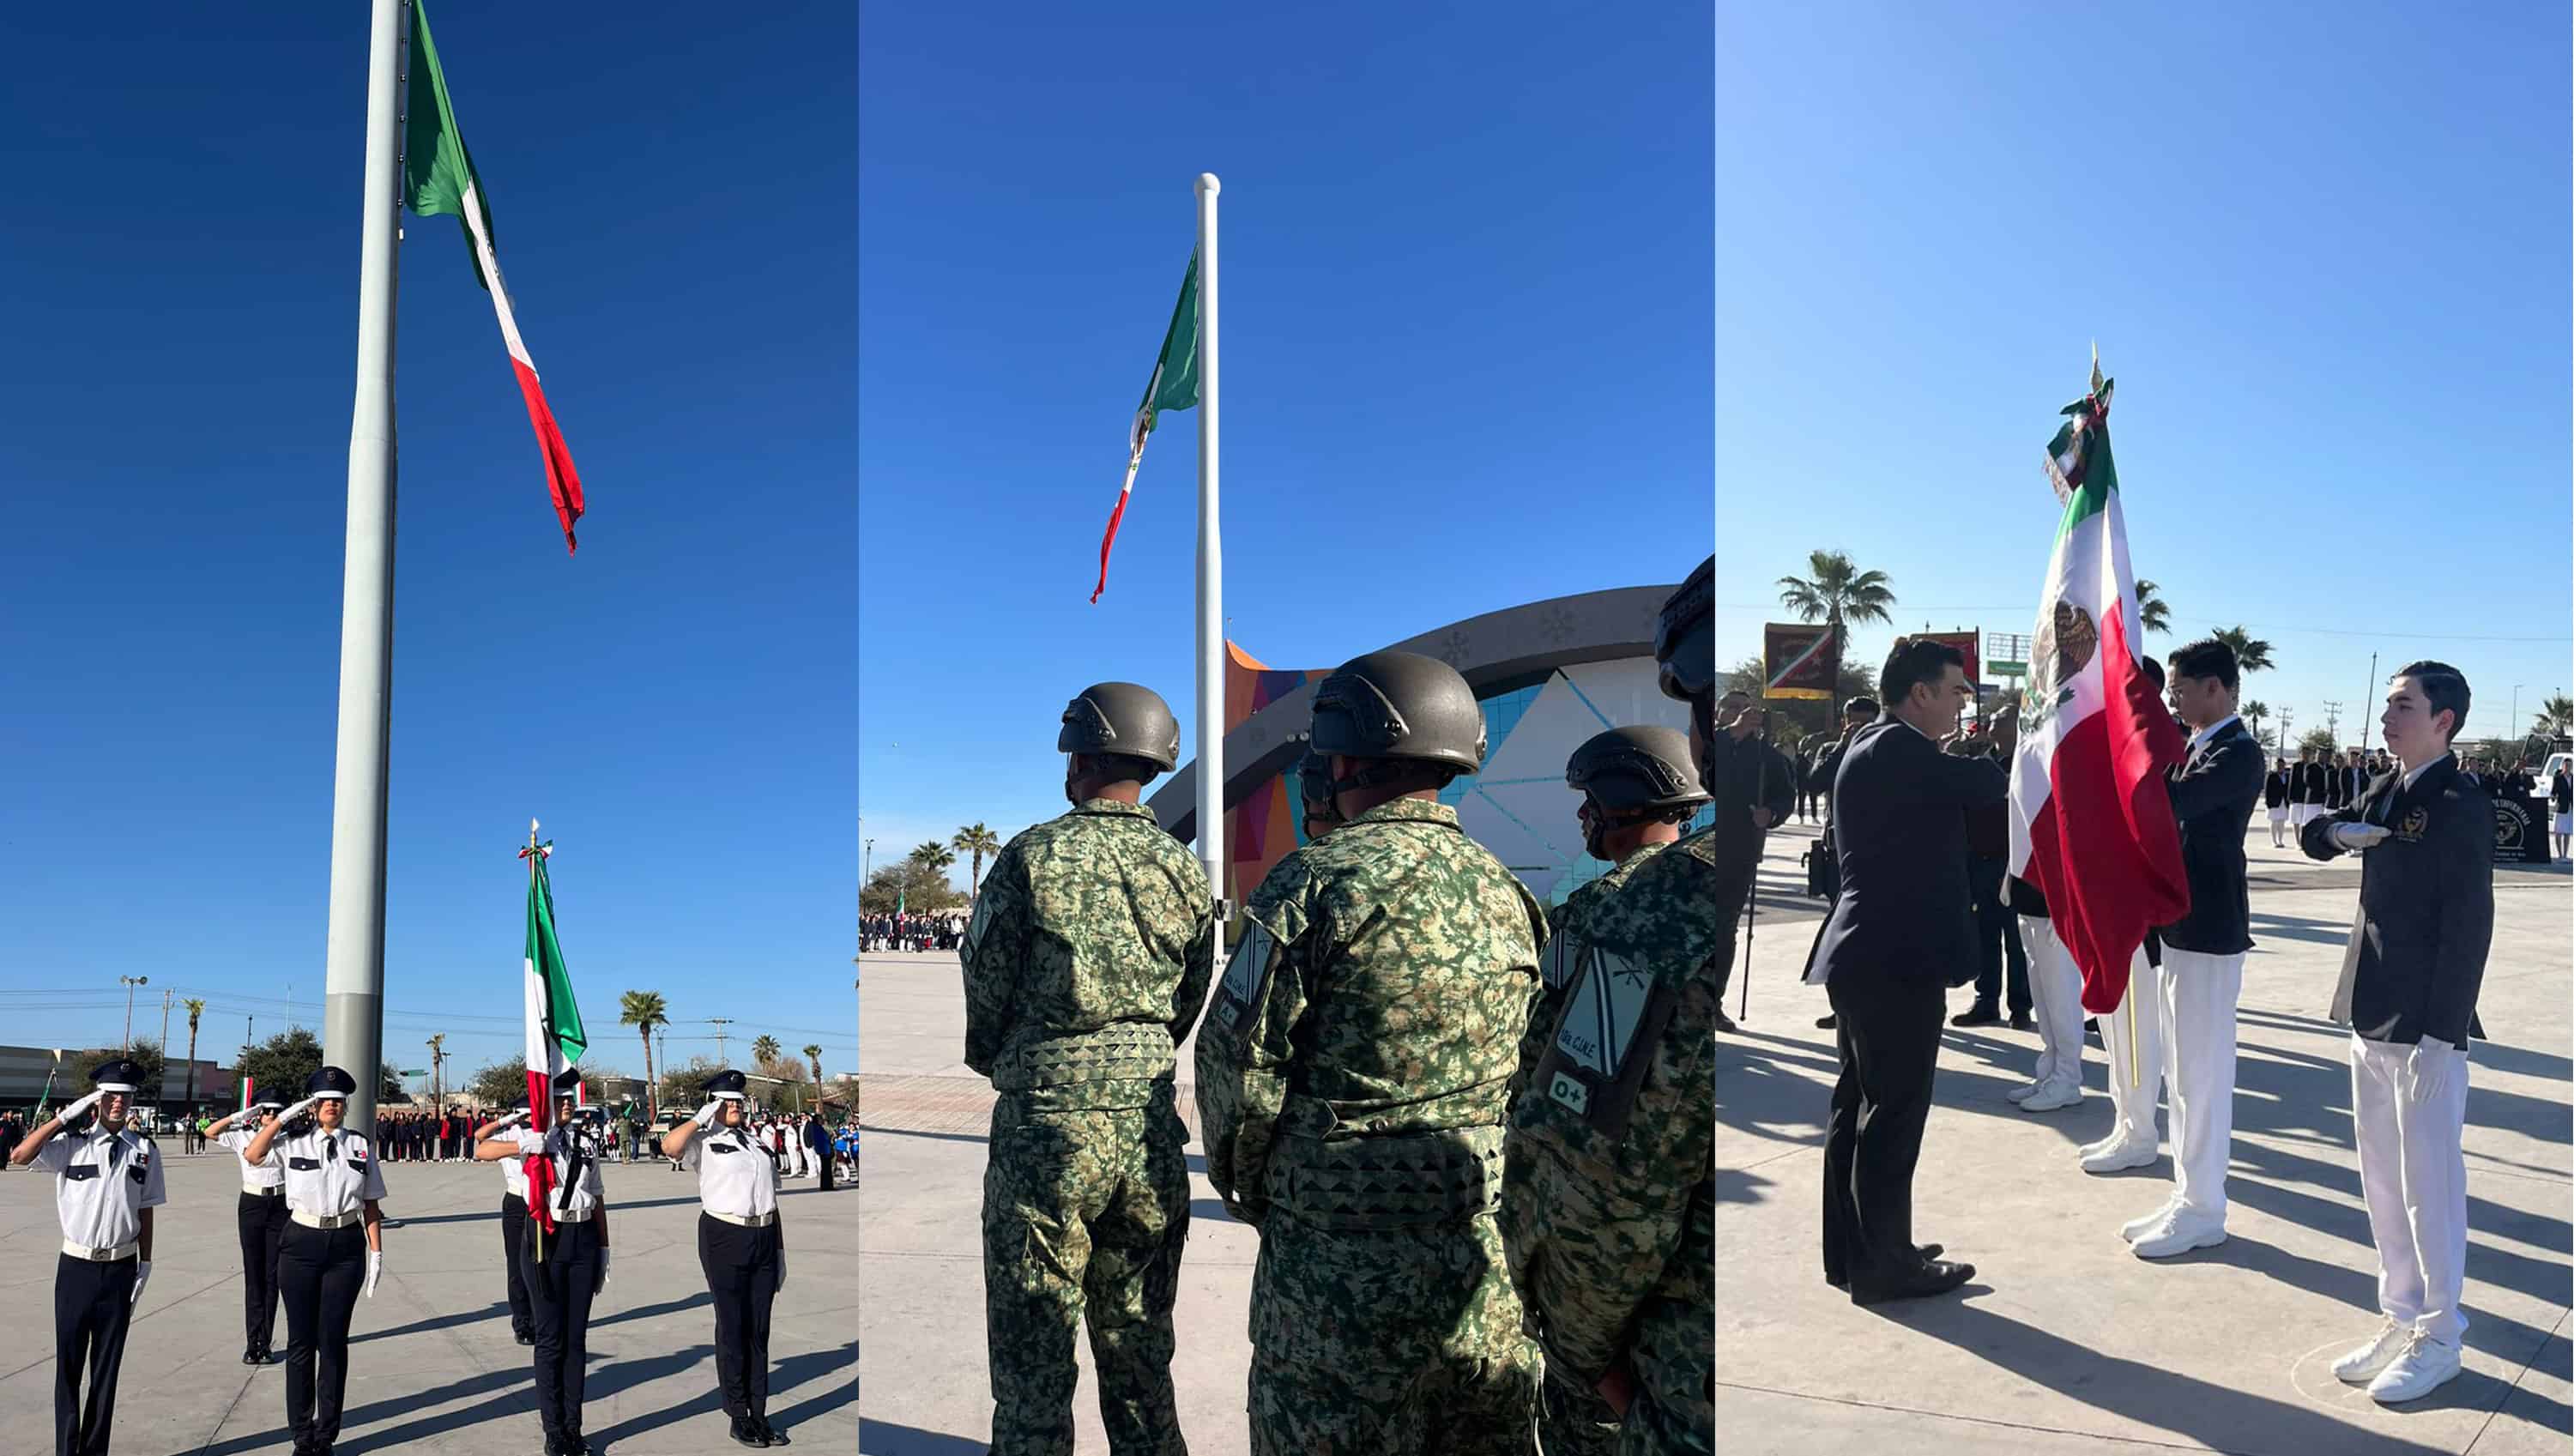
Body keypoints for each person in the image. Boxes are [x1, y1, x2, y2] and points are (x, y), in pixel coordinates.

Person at [1198, 649, 1545, 1454]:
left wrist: (1258, 1185)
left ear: (1348, 756)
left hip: (1334, 1279)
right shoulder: (1509, 892)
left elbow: (1235, 1067)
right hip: (1480, 1274)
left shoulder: (1311, 884)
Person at [1504, 557, 1722, 1454]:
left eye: (1593, 801)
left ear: (1628, 797)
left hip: (1662, 1357)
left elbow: (1598, 1144)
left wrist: (1575, 1340)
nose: (1585, 820)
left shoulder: (1618, 910)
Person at [964, 680, 1212, 1456]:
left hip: (1046, 1132)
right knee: (1141, 1353)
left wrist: (1013, 1058)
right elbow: (1190, 995)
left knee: (1033, 1361)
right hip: (1146, 1130)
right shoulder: (1184, 869)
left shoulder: (1031, 856)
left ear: (1087, 756)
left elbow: (986, 983)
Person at [2301, 661, 2492, 1404]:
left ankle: (2441, 1333)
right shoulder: (2389, 784)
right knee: (2381, 1180)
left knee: (2431, 1186)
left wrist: (2445, 1034)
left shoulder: (2458, 800)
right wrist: (2340, 830)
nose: (2388, 717)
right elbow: (2320, 833)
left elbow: (2470, 921)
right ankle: (2401, 1313)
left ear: (2443, 719)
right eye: (2387, 705)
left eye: (2402, 706)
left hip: (2422, 1026)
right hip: (2370, 1008)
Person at [1805, 637, 2000, 1303]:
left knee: (1859, 1104)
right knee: (1892, 1112)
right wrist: (2038, 738)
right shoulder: (1899, 748)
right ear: (1920, 693)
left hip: (1869, 952)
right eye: (1954, 691)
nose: (1959, 705)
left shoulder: (1874, 742)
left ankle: (1859, 1251)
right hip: (1893, 957)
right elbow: (1985, 784)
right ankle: (1885, 1265)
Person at [2118, 638, 2262, 1258]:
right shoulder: (2197, 747)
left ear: (2218, 688)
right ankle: (2188, 1193)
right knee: (2181, 1070)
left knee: (2202, 1073)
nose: (2171, 696)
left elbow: (2172, 802)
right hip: (2179, 925)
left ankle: (2206, 1206)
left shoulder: (2237, 752)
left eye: (2178, 686)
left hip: (2210, 927)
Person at [10, 1057, 163, 1456]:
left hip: (120, 1268)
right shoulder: (71, 1145)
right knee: (69, 1368)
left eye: (126, 1097)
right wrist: (64, 1119)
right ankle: (67, 1449)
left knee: (106, 1372)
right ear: (96, 1100)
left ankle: (95, 1451)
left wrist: (145, 1263)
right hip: (76, 1267)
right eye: (111, 1095)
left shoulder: (144, 1151)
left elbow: (145, 1210)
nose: (119, 1103)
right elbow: (20, 1156)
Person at [247, 1066, 386, 1456]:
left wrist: (376, 1251)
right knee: (301, 1341)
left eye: (338, 1101)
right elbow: (253, 1154)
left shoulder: (359, 1146)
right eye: (324, 1100)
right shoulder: (293, 1143)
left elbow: (371, 1203)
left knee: (334, 1341)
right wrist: (284, 1119)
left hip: (345, 1244)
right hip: (301, 1243)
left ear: (345, 1106)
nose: (332, 1106)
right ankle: (301, 1434)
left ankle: (326, 1433)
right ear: (313, 1105)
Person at [482, 1070, 611, 1456]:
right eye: (558, 1098)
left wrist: (604, 1248)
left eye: (569, 1097)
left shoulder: (585, 1141)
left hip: (583, 1237)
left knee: (576, 1340)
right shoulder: (530, 1138)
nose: (567, 1102)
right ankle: (554, 1431)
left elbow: (599, 1195)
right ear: (543, 1104)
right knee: (551, 1340)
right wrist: (522, 1146)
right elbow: (481, 1149)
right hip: (545, 1237)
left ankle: (574, 1427)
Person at [663, 1071, 788, 1448]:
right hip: (724, 1235)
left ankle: (759, 1412)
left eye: (737, 1100)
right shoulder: (704, 1141)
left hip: (764, 1234)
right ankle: (738, 1414)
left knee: (759, 1330)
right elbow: (670, 1147)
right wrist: (703, 1117)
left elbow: (771, 1198)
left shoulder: (757, 1142)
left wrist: (779, 1251)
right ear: (713, 1104)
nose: (733, 1106)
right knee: (733, 1326)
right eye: (725, 1101)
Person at [208, 1096, 289, 1363]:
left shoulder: (288, 1139)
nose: (271, 1115)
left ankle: (264, 1344)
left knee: (272, 1276)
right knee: (253, 1276)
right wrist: (239, 1116)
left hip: (279, 1204)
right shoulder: (243, 1136)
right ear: (258, 1113)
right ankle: (251, 1343)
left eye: (277, 1112)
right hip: (252, 1204)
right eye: (266, 1111)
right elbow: (209, 1131)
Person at [469, 1099, 539, 1345]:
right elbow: (478, 1138)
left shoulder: (543, 1129)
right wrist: (504, 1120)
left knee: (541, 1260)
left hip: (541, 1202)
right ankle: (522, 1322)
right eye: (524, 1111)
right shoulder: (507, 1133)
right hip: (517, 1201)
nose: (528, 1115)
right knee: (516, 1265)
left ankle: (541, 1317)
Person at [2264, 757, 2292, 847]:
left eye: (2282, 765)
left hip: (2284, 802)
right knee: (2274, 822)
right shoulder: (2271, 775)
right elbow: (2267, 790)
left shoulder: (2287, 776)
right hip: (2274, 802)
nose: (2280, 767)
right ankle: (2274, 841)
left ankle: (2280, 840)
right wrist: (2268, 803)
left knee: (2281, 822)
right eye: (2279, 765)